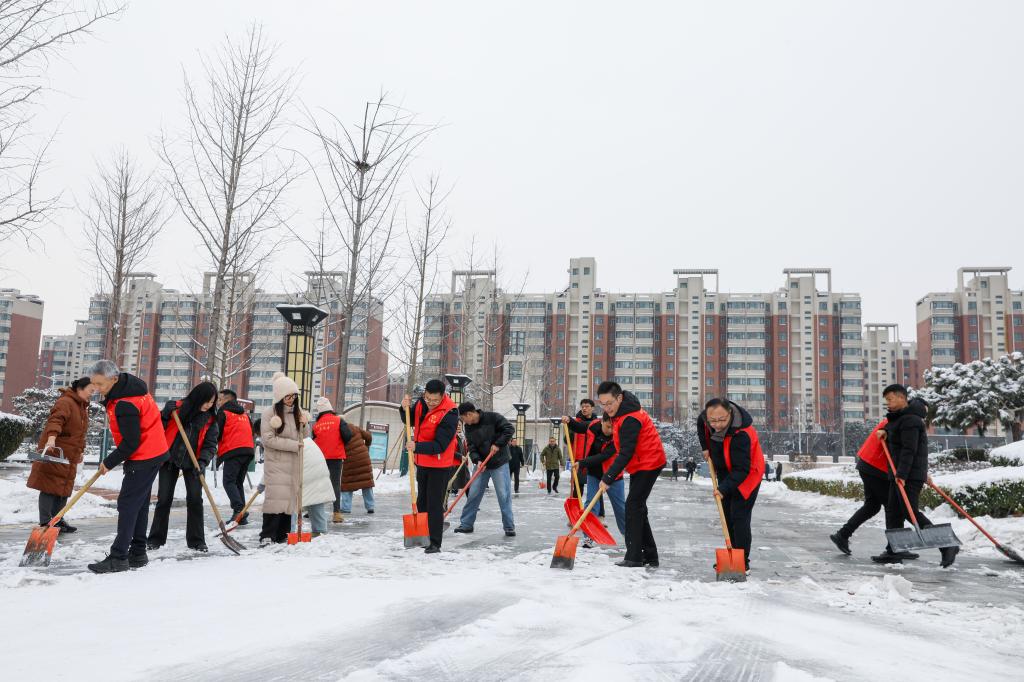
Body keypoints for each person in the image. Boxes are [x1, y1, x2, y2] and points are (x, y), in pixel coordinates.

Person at [86, 361, 169, 573]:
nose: (96, 388)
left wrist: (109, 461)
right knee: (138, 504)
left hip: (145, 455)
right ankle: (138, 553)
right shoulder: (132, 390)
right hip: (154, 452)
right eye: (93, 384)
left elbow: (131, 442)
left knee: (127, 504)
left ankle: (119, 556)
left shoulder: (125, 403)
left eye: (100, 384)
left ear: (114, 379)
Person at [872, 385, 957, 567]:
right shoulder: (901, 418)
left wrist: (902, 474)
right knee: (893, 512)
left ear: (902, 398)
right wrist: (886, 431)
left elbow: (910, 450)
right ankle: (894, 550)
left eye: (891, 399)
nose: (888, 403)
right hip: (900, 473)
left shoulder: (910, 419)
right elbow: (897, 434)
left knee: (910, 512)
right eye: (886, 400)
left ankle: (947, 545)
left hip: (907, 475)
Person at [597, 381, 667, 568]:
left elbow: (626, 452)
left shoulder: (629, 418)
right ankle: (649, 555)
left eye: (609, 403)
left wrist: (608, 477)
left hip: (649, 462)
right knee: (637, 507)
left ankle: (635, 556)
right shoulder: (621, 412)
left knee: (633, 507)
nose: (606, 408)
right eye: (602, 404)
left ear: (619, 398)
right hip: (641, 463)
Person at [147, 382, 219, 552]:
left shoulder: (210, 420)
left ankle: (197, 541)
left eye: (212, 403)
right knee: (164, 499)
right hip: (170, 459)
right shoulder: (176, 410)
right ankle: (155, 539)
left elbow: (210, 445)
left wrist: (203, 462)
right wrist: (164, 415)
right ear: (198, 398)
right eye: (207, 401)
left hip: (194, 462)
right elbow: (156, 428)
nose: (209, 405)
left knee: (195, 499)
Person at [698, 398, 765, 572]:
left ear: (730, 414)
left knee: (739, 516)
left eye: (722, 420)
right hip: (726, 471)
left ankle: (742, 562)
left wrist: (723, 489)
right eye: (713, 421)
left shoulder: (741, 434)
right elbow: (700, 423)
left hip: (748, 472)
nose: (717, 425)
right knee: (727, 514)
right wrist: (705, 446)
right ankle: (731, 556)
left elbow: (742, 469)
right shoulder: (707, 419)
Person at [27, 377, 94, 532]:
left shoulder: (82, 407)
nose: (92, 394)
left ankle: (58, 519)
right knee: (49, 486)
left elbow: (80, 433)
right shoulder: (66, 402)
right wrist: (51, 438)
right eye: (90, 391)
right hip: (56, 451)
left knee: (63, 488)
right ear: (80, 389)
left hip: (69, 455)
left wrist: (81, 450)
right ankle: (45, 522)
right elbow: (55, 420)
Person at [400, 380, 459, 553]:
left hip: (440, 464)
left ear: (443, 396)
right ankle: (422, 535)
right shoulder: (421, 402)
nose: (431, 402)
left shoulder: (450, 412)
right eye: (428, 398)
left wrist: (416, 446)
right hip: (422, 461)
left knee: (434, 503)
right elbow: (410, 420)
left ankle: (435, 542)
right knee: (422, 501)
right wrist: (403, 408)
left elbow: (440, 445)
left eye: (434, 400)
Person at [830, 418, 893, 556]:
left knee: (872, 506)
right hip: (875, 466)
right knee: (891, 506)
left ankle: (843, 534)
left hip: (868, 464)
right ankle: (894, 547)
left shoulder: (893, 418)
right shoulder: (897, 419)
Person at [259, 372, 309, 546]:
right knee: (275, 499)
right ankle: (267, 534)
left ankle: (283, 534)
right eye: (288, 396)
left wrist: (305, 423)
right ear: (280, 396)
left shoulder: (297, 412)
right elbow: (268, 439)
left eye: (294, 396)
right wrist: (293, 445)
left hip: (294, 464)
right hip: (277, 463)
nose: (291, 400)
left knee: (289, 500)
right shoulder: (269, 413)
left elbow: (305, 436)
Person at [453, 402, 517, 537]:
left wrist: (498, 444)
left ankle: (509, 526)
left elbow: (509, 429)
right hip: (482, 464)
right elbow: (471, 445)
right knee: (473, 494)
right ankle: (466, 524)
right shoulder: (469, 427)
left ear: (469, 414)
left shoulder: (493, 418)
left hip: (499, 462)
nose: (465, 423)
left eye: (464, 419)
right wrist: (477, 460)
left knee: (503, 495)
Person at [574, 414, 626, 537]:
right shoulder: (593, 425)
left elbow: (604, 456)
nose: (611, 431)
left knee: (621, 509)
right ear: (602, 421)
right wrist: (569, 421)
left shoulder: (618, 436)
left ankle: (628, 536)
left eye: (613, 428)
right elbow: (579, 426)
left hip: (612, 476)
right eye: (608, 427)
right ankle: (588, 537)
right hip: (594, 474)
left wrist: (582, 463)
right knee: (591, 506)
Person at [215, 389, 255, 525]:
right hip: (248, 451)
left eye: (220, 399)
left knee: (228, 482)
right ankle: (241, 516)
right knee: (237, 482)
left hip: (233, 450)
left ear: (227, 400)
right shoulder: (244, 414)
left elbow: (216, 433)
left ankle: (239, 509)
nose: (218, 402)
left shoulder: (223, 413)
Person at [312, 397, 348, 523]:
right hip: (336, 457)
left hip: (320, 458)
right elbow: (348, 435)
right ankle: (336, 513)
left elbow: (314, 440)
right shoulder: (338, 421)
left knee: (319, 484)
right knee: (335, 485)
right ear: (330, 409)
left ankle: (314, 512)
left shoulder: (316, 425)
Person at [297, 435, 335, 537]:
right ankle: (320, 529)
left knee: (298, 501)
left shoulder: (294, 440)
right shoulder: (308, 440)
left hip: (309, 469)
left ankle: (291, 529)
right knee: (315, 499)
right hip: (317, 467)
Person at [339, 416, 375, 515]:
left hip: (349, 461)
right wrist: (366, 446)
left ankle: (346, 508)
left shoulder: (338, 433)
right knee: (366, 483)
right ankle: (370, 506)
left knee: (347, 484)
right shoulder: (355, 428)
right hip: (363, 459)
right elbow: (369, 436)